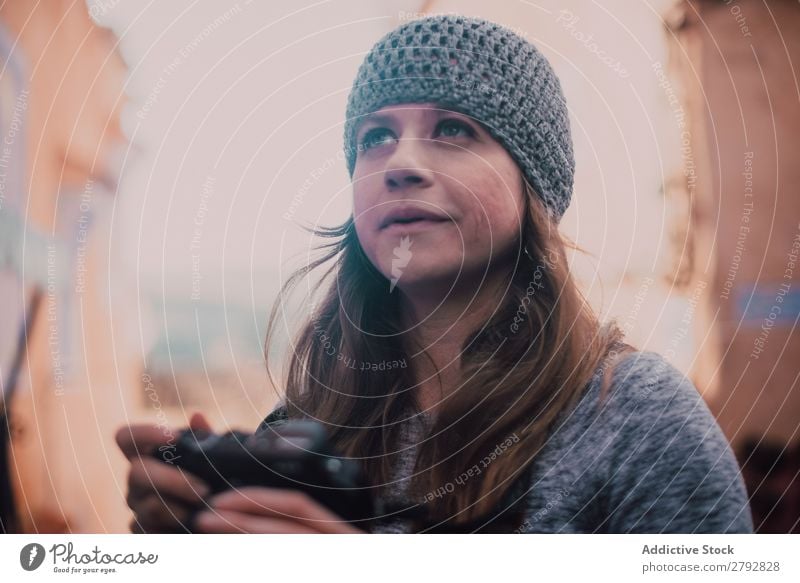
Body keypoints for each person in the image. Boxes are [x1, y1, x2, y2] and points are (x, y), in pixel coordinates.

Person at [116, 14, 754, 534]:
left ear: (534, 185)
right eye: (375, 137)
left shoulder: (638, 422)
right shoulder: (303, 424)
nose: (401, 163)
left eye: (454, 129)